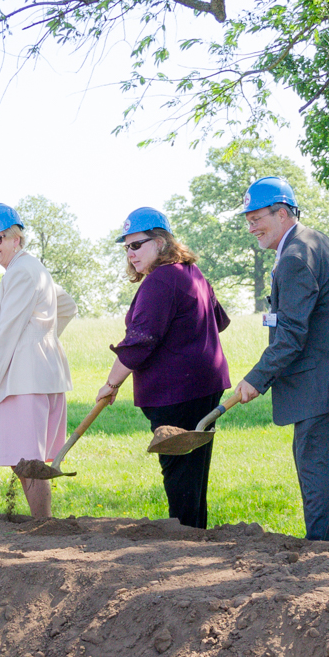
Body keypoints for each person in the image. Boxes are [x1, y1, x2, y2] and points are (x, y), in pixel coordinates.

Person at [233, 177, 329, 542]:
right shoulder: (314, 240)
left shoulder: (294, 257)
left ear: (284, 213)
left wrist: (256, 379)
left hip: (324, 382)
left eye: (257, 218)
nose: (251, 227)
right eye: (248, 220)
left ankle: (321, 554)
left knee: (315, 469)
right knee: (321, 469)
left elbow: (290, 336)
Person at [98, 207, 231, 529]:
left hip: (176, 393)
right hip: (205, 385)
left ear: (160, 242)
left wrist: (111, 384)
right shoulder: (192, 272)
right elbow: (220, 321)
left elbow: (140, 341)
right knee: (194, 470)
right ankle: (195, 532)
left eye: (137, 245)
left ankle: (185, 539)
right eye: (126, 247)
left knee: (179, 471)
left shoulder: (161, 280)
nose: (130, 254)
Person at [0, 202, 76, 519]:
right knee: (28, 459)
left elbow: (8, 336)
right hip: (44, 374)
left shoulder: (22, 273)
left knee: (26, 460)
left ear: (16, 238)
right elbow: (67, 306)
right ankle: (43, 523)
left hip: (26, 379)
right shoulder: (32, 268)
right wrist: (44, 337)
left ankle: (44, 524)